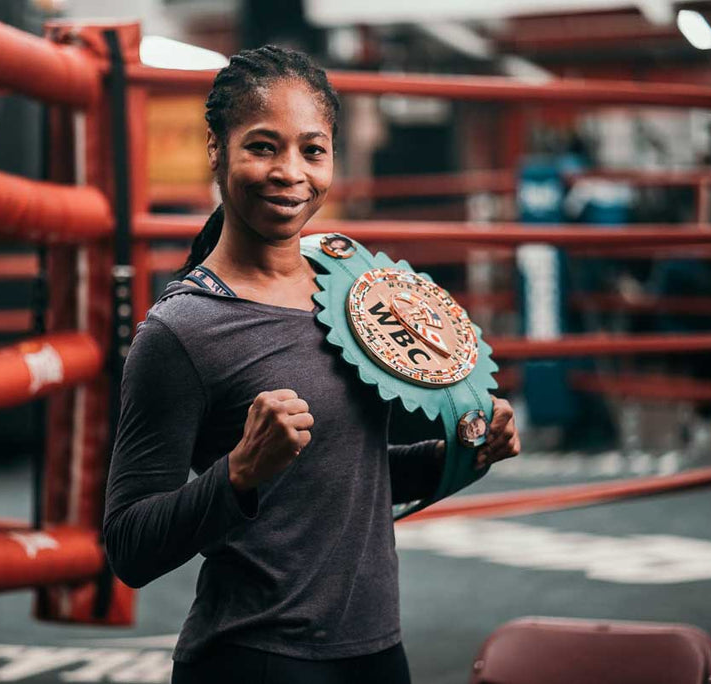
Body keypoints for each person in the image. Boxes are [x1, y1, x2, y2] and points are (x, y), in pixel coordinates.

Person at [103, 45, 521, 684]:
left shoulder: (353, 288)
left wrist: (467, 452)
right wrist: (238, 473)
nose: (290, 172)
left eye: (312, 149)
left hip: (377, 651)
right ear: (216, 150)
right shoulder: (182, 330)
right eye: (263, 147)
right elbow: (129, 546)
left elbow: (346, 478)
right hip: (256, 658)